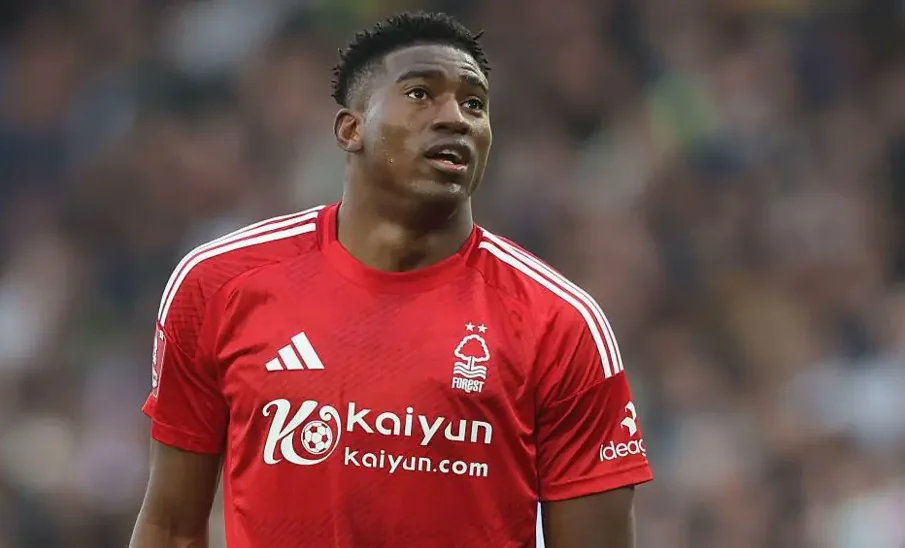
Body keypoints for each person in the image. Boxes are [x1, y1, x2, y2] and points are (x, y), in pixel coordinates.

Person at [129, 11, 652, 548]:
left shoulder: (560, 325)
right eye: (421, 94)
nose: (456, 118)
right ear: (350, 128)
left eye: (474, 104)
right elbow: (170, 528)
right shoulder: (219, 284)